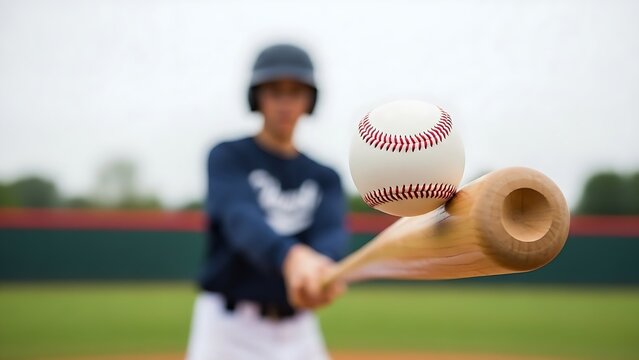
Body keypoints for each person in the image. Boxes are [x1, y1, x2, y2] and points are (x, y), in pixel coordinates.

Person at [186, 43, 348, 360]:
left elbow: (331, 234)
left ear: (309, 100)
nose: (285, 103)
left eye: (295, 91)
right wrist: (290, 256)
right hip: (227, 328)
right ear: (257, 97)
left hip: (299, 326)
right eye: (275, 91)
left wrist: (321, 267)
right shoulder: (228, 156)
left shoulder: (325, 175)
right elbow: (239, 218)